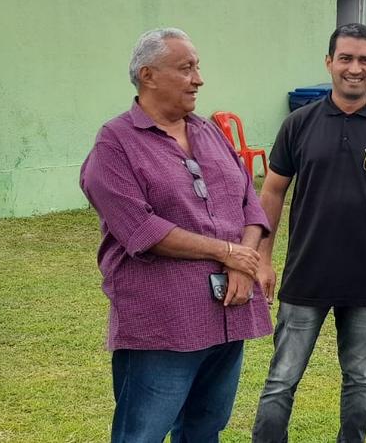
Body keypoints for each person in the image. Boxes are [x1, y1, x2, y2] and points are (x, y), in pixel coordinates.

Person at [80, 28, 273, 443]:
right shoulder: (115, 143)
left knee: (205, 430)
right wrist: (227, 252)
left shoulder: (209, 132)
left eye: (197, 67)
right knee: (141, 434)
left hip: (228, 314)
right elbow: (141, 229)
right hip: (163, 325)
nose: (198, 79)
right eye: (186, 68)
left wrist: (243, 264)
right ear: (148, 75)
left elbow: (250, 204)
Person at [253, 23, 366, 443]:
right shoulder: (298, 124)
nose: (355, 68)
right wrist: (262, 258)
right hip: (305, 275)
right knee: (281, 379)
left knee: (359, 378)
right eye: (345, 58)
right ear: (329, 62)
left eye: (364, 60)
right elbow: (272, 192)